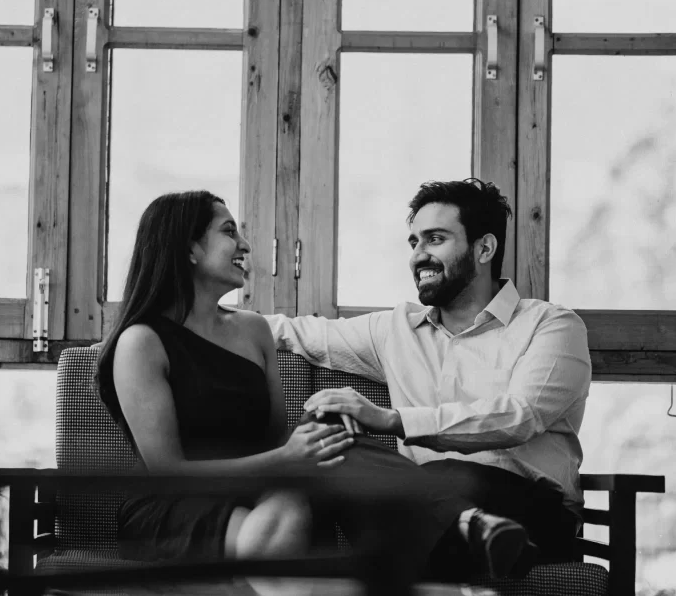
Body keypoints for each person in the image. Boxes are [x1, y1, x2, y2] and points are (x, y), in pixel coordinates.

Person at [95, 189, 537, 591]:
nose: (246, 246)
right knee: (274, 537)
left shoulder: (253, 331)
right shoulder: (141, 343)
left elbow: (274, 435)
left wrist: (308, 441)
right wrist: (287, 459)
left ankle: (456, 542)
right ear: (187, 248)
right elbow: (168, 470)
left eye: (435, 239)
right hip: (177, 504)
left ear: (484, 248)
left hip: (263, 489)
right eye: (230, 232)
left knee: (326, 434)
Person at [266, 178, 592, 577]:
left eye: (435, 239)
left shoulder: (551, 325)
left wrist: (394, 420)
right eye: (414, 243)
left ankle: (448, 538)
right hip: (418, 505)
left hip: (530, 511)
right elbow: (294, 331)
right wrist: (188, 315)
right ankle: (470, 533)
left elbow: (520, 416)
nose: (418, 255)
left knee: (440, 478)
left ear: (484, 248)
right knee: (327, 429)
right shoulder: (395, 329)